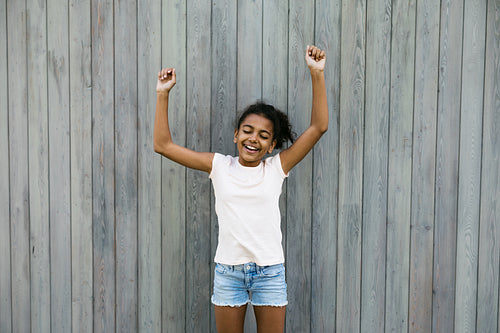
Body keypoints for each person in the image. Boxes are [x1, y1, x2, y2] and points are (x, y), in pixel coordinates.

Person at [154, 45, 328, 333]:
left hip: (269, 273)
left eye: (263, 136)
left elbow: (318, 127)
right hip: (228, 272)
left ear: (272, 145)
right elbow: (163, 146)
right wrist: (163, 93)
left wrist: (316, 73)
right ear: (236, 135)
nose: (253, 139)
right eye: (247, 130)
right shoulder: (220, 166)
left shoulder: (276, 168)